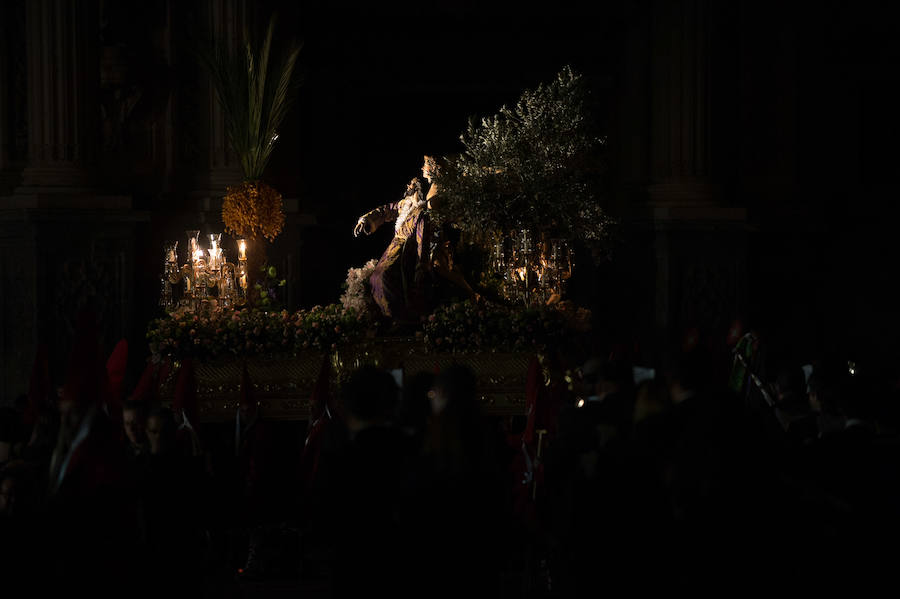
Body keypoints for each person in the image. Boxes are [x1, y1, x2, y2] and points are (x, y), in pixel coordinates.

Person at [353, 156, 440, 322]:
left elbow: (423, 240)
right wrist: (365, 219)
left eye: (412, 185)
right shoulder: (404, 205)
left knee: (385, 277)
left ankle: (397, 319)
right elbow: (386, 210)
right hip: (393, 248)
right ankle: (388, 318)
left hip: (406, 252)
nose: (408, 187)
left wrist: (422, 266)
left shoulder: (421, 213)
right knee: (375, 277)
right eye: (409, 184)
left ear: (418, 188)